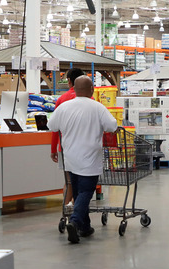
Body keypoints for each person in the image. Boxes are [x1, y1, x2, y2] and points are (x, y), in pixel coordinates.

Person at [48, 75, 118, 244]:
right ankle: (75, 221)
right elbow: (112, 126)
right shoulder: (98, 108)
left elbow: (51, 126)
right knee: (86, 192)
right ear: (92, 89)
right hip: (90, 158)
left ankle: (85, 227)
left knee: (79, 192)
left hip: (70, 158)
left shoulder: (64, 107)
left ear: (75, 89)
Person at [50, 67, 86, 207]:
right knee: (82, 181)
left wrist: (53, 148)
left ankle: (66, 210)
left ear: (69, 81)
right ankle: (76, 209)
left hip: (65, 146)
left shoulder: (62, 99)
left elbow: (55, 129)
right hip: (85, 147)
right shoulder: (90, 99)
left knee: (69, 180)